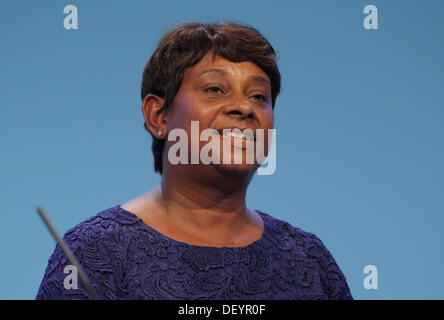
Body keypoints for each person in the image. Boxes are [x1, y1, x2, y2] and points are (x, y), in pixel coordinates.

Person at [36, 21, 353, 300]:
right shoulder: (94, 253)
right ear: (157, 115)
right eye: (215, 89)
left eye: (259, 96)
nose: (244, 108)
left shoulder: (309, 261)